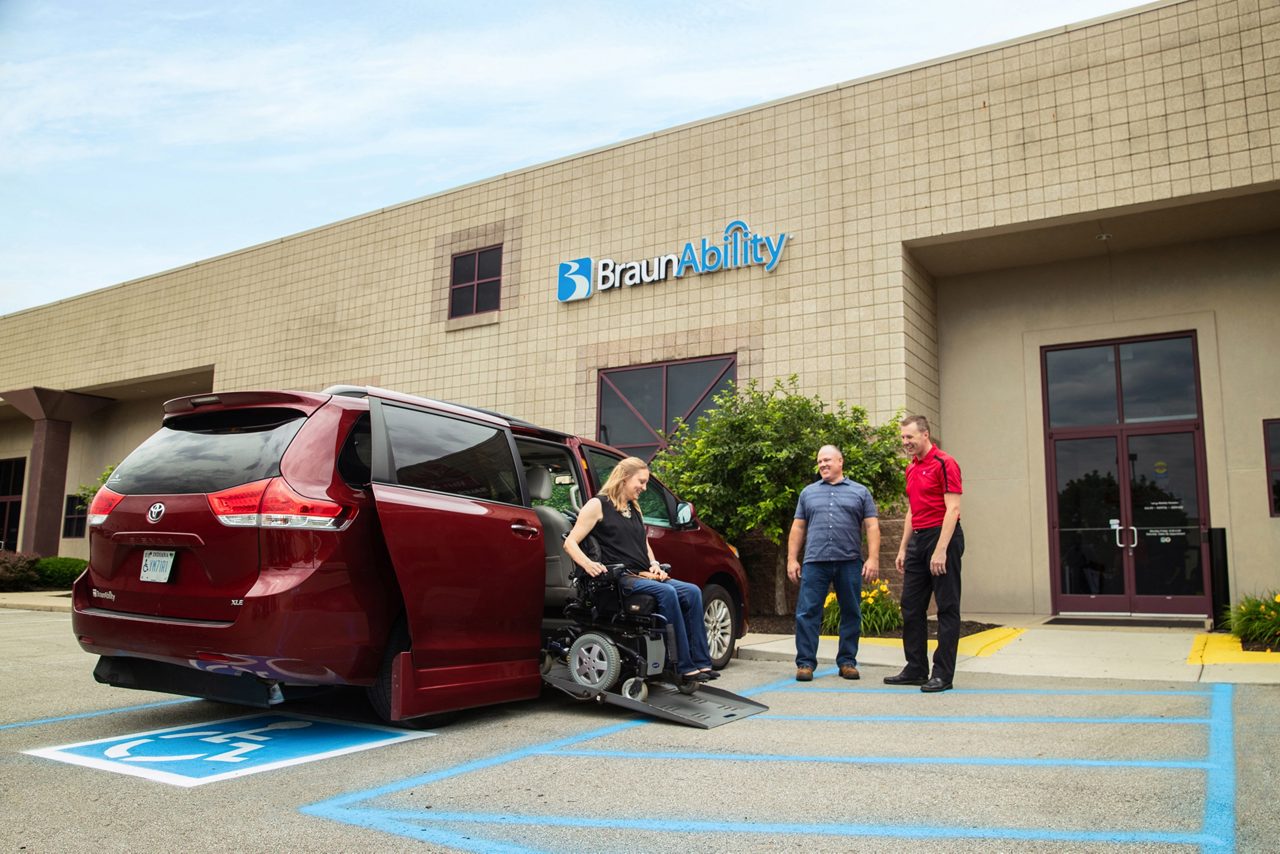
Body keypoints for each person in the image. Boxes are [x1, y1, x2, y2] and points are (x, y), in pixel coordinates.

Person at [563, 456, 716, 682]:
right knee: (668, 592)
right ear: (624, 478)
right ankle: (680, 666)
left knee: (692, 591)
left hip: (643, 574)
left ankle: (701, 663)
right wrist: (588, 564)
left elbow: (645, 545)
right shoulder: (598, 505)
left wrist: (654, 565)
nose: (644, 488)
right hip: (619, 579)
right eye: (641, 482)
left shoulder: (634, 508)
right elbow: (570, 543)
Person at [787, 445, 880, 682]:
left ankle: (847, 662)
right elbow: (798, 527)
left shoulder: (860, 492)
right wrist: (791, 559)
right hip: (815, 561)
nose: (823, 464)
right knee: (808, 612)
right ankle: (805, 663)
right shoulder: (807, 493)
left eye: (827, 460)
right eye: (819, 461)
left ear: (840, 461)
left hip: (849, 561)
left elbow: (871, 526)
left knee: (851, 611)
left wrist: (873, 557)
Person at [886, 415, 964, 693]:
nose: (905, 442)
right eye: (903, 438)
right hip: (919, 539)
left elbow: (953, 509)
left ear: (926, 434)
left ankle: (943, 674)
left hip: (943, 537)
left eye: (910, 437)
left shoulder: (945, 463)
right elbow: (912, 510)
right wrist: (904, 547)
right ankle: (916, 668)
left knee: (946, 607)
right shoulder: (911, 468)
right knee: (910, 606)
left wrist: (941, 549)